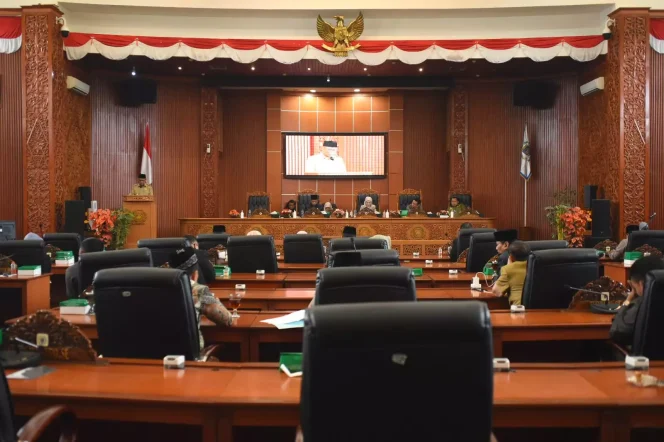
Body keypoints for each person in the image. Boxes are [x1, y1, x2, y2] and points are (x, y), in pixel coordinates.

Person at [169, 247, 233, 351]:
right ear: (195, 274)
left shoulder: (155, 289)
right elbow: (228, 320)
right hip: (190, 357)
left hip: (154, 357)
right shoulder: (199, 291)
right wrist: (215, 300)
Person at [610, 255, 664, 347]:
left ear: (642, 284)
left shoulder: (643, 304)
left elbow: (617, 332)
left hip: (645, 360)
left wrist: (627, 301)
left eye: (633, 287)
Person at [492, 241, 531, 305]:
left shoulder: (508, 269)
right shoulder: (536, 266)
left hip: (518, 310)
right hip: (540, 310)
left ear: (510, 257)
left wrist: (508, 266)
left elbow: (496, 292)